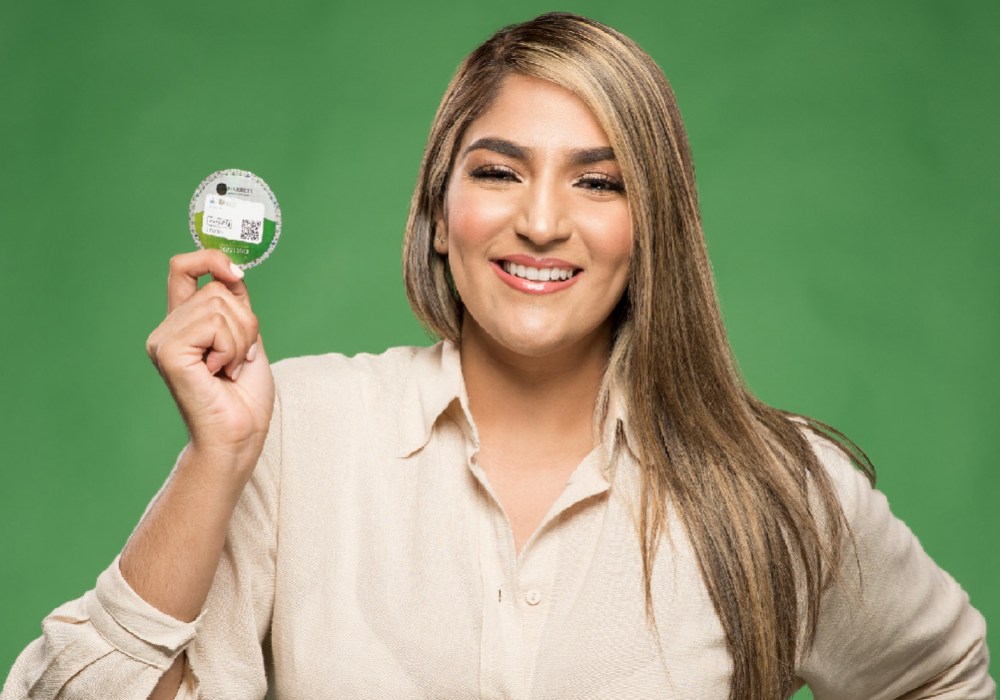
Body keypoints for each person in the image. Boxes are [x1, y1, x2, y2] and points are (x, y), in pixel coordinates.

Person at [2, 12, 992, 700]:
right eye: (498, 172)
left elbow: (939, 677)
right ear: (439, 215)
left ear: (651, 228)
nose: (542, 221)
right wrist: (215, 457)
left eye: (598, 182)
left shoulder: (776, 486)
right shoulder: (294, 435)